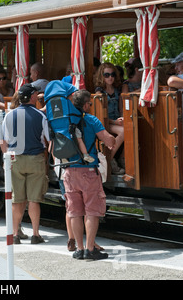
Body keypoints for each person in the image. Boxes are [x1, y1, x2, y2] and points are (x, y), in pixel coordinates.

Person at [65, 90, 116, 260]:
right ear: (86, 105)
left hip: (69, 171)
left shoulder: (65, 121)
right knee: (92, 210)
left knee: (75, 211)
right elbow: (108, 140)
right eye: (90, 104)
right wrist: (111, 140)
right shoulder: (91, 120)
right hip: (87, 171)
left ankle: (79, 249)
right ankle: (90, 249)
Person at [2, 83, 49, 244]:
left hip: (15, 159)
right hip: (35, 158)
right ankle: (35, 234)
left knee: (17, 199)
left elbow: (4, 141)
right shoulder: (40, 116)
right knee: (34, 200)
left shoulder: (9, 115)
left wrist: (6, 158)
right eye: (36, 94)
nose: (37, 97)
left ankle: (15, 234)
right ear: (32, 97)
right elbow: (48, 139)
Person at [94, 63, 125, 174]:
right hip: (106, 122)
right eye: (106, 75)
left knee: (132, 127)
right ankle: (109, 159)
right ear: (101, 76)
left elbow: (121, 109)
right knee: (123, 131)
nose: (110, 77)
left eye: (112, 74)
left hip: (116, 121)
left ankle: (122, 158)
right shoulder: (99, 92)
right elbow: (101, 115)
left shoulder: (117, 90)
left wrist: (122, 118)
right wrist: (115, 121)